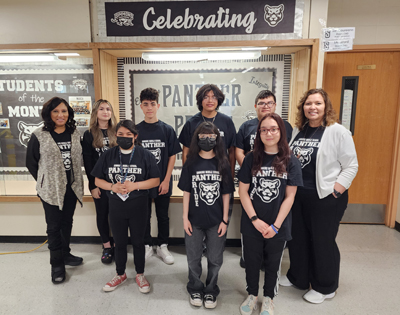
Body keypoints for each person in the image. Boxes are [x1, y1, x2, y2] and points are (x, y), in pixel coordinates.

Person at [280, 88, 358, 304]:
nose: (312, 107)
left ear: (326, 107)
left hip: (325, 196)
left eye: (317, 103)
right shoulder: (298, 130)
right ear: (302, 108)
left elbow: (351, 165)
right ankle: (299, 278)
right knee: (298, 239)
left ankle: (325, 286)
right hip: (298, 195)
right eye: (308, 104)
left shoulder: (337, 131)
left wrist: (337, 189)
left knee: (322, 240)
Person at [237, 113, 302, 315]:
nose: (269, 133)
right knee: (252, 262)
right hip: (252, 223)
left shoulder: (290, 160)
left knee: (273, 265)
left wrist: (275, 225)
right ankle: (252, 295)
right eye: (264, 129)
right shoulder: (250, 158)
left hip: (278, 225)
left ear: (281, 131)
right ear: (259, 133)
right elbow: (243, 192)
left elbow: (290, 197)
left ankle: (269, 299)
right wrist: (255, 220)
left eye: (273, 129)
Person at [91, 120, 160, 293]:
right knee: (119, 242)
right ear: (115, 135)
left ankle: (140, 274)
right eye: (120, 134)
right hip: (116, 206)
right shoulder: (108, 155)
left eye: (128, 135)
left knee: (138, 241)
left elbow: (155, 180)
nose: (124, 138)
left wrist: (135, 186)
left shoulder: (145, 155)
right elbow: (97, 179)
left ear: (135, 136)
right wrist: (112, 186)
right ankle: (120, 274)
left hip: (139, 205)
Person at [26, 97, 84, 284]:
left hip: (71, 187)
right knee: (53, 227)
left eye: (64, 111)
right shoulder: (39, 135)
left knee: (67, 222)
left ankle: (65, 254)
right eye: (56, 111)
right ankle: (56, 264)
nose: (61, 115)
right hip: (50, 190)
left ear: (69, 113)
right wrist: (46, 181)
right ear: (49, 114)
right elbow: (31, 163)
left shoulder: (74, 133)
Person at [178, 122, 234, 309]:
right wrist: (185, 218)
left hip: (216, 220)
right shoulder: (191, 162)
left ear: (217, 139)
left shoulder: (223, 162)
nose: (207, 140)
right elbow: (186, 192)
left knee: (215, 258)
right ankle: (195, 286)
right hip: (194, 220)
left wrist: (225, 219)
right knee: (193, 257)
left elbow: (227, 194)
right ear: (197, 138)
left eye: (211, 137)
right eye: (203, 136)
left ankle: (210, 290)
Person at [236, 89, 293, 268]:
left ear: (275, 105)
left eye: (269, 103)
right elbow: (239, 150)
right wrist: (251, 167)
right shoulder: (246, 126)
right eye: (261, 103)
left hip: (276, 182)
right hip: (252, 181)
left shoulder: (286, 126)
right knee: (252, 221)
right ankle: (249, 258)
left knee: (274, 216)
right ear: (255, 106)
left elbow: (288, 152)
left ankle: (270, 260)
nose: (265, 106)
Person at [136, 88, 182, 265]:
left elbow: (172, 155)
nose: (149, 108)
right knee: (144, 215)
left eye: (152, 104)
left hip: (163, 181)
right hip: (143, 182)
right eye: (146, 104)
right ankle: (147, 244)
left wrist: (166, 180)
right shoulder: (137, 130)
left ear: (158, 106)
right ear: (141, 106)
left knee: (163, 215)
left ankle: (163, 245)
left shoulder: (167, 130)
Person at [82, 99, 117, 264]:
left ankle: (117, 244)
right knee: (102, 215)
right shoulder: (89, 134)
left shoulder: (117, 131)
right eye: (102, 109)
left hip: (117, 183)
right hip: (99, 183)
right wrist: (92, 186)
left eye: (108, 109)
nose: (105, 112)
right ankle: (107, 246)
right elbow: (88, 163)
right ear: (95, 112)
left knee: (116, 215)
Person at [179, 84, 236, 173]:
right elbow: (186, 151)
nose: (210, 101)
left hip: (221, 172)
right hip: (197, 173)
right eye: (206, 97)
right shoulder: (191, 123)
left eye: (214, 97)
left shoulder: (227, 122)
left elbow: (232, 151)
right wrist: (187, 175)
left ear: (218, 100)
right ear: (200, 100)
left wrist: (231, 175)